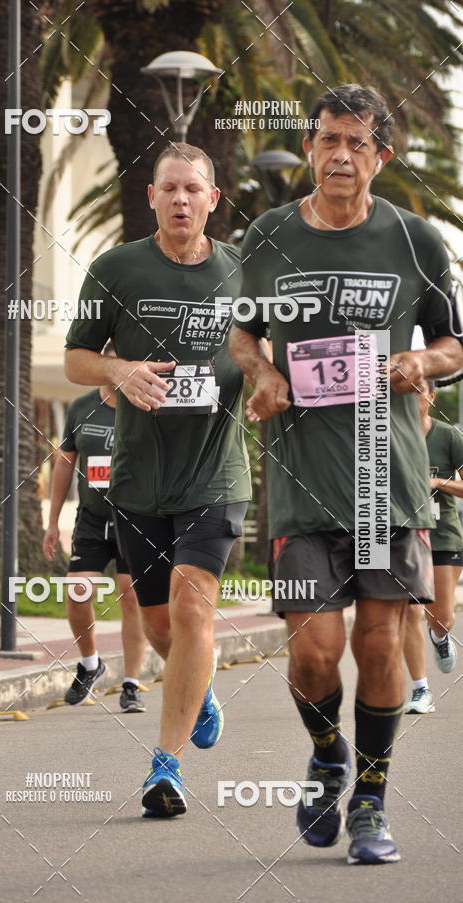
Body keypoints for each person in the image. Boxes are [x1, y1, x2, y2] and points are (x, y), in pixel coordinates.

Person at [229, 84, 463, 865]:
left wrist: (419, 360)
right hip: (299, 478)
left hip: (386, 479)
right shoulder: (266, 236)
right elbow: (240, 336)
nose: (339, 155)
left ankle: (369, 798)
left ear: (381, 157)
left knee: (380, 643)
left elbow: (456, 345)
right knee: (312, 650)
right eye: (328, 139)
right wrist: (260, 372)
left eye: (356, 144)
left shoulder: (414, 240)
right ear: (310, 147)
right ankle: (327, 748)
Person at [64, 142, 250, 818]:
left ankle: (163, 769)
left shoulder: (242, 271)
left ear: (211, 199)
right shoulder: (117, 268)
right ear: (151, 198)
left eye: (191, 189)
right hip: (139, 480)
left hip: (216, 471)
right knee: (159, 622)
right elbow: (77, 357)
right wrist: (118, 371)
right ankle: (197, 689)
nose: (179, 199)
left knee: (194, 607)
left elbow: (270, 349)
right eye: (167, 188)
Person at [43, 343, 148, 713]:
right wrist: (53, 522)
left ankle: (132, 684)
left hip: (137, 517)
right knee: (77, 592)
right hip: (92, 517)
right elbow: (63, 465)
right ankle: (90, 664)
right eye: (115, 362)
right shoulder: (82, 407)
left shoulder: (147, 402)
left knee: (131, 597)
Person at [403, 378, 462, 714]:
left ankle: (439, 636)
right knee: (410, 611)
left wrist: (438, 482)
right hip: (404, 534)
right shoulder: (387, 435)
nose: (412, 398)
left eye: (418, 391)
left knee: (440, 616)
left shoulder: (448, 435)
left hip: (443, 534)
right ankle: (420, 690)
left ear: (431, 396)